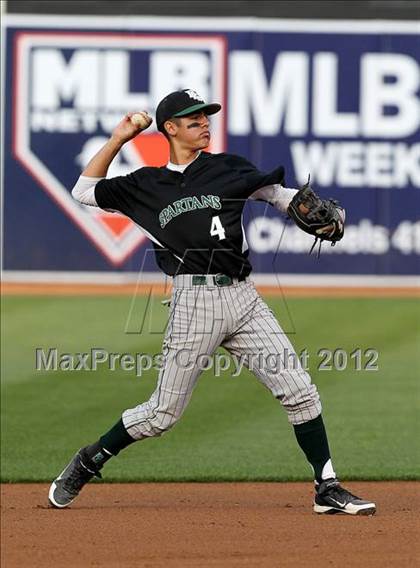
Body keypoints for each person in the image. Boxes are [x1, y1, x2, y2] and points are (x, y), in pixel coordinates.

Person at [48, 89, 375, 516]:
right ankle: (88, 461)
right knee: (162, 415)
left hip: (244, 297)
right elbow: (83, 191)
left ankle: (326, 487)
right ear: (170, 128)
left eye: (206, 116)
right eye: (193, 119)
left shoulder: (227, 168)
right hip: (194, 302)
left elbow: (274, 193)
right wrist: (120, 137)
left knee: (301, 392)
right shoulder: (147, 185)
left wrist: (296, 204)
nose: (204, 123)